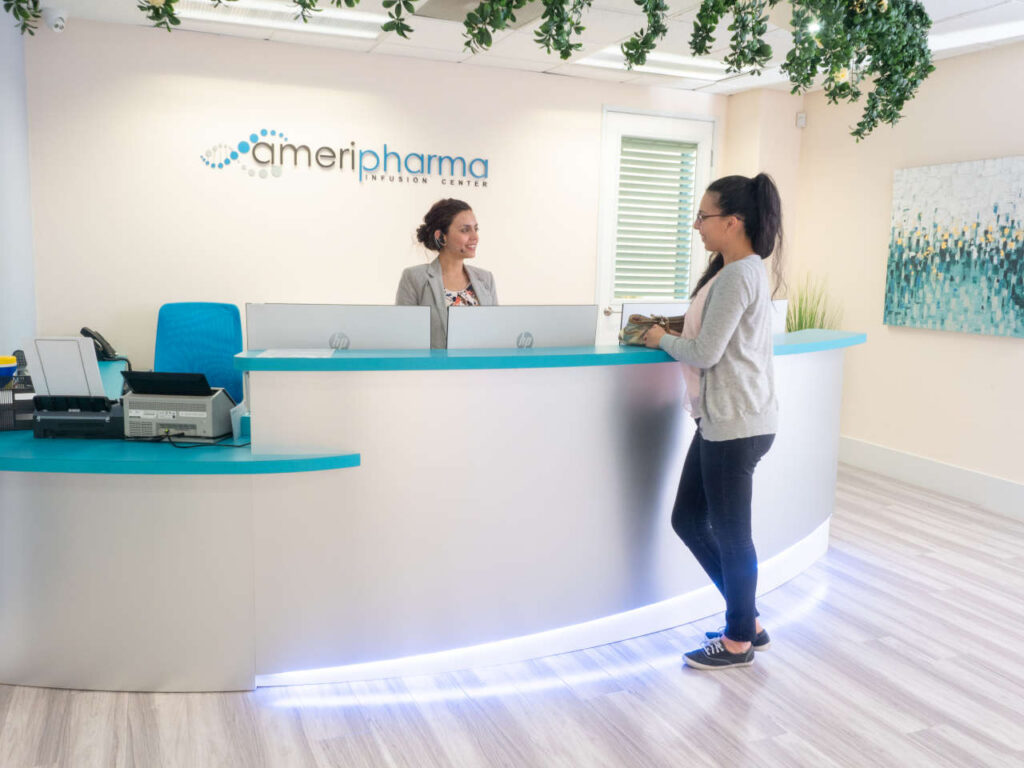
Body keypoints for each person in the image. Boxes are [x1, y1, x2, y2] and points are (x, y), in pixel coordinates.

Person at [643, 173, 784, 671]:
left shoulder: (739, 274)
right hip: (729, 420)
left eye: (703, 216)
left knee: (732, 535)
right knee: (688, 519)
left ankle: (739, 640)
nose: (696, 225)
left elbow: (705, 352)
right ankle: (747, 621)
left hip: (735, 422)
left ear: (733, 221)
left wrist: (659, 338)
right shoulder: (738, 272)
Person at [396, 199, 497, 348]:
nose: (475, 237)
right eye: (465, 230)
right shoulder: (414, 278)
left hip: (481, 363)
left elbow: (495, 334)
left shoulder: (486, 279)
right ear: (441, 236)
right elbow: (405, 338)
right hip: (436, 363)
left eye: (476, 229)